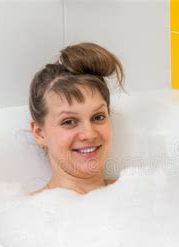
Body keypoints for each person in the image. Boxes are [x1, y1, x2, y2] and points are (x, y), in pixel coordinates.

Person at [28, 42, 125, 195]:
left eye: (98, 117)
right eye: (69, 122)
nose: (89, 134)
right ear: (40, 133)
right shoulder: (28, 213)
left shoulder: (138, 193)